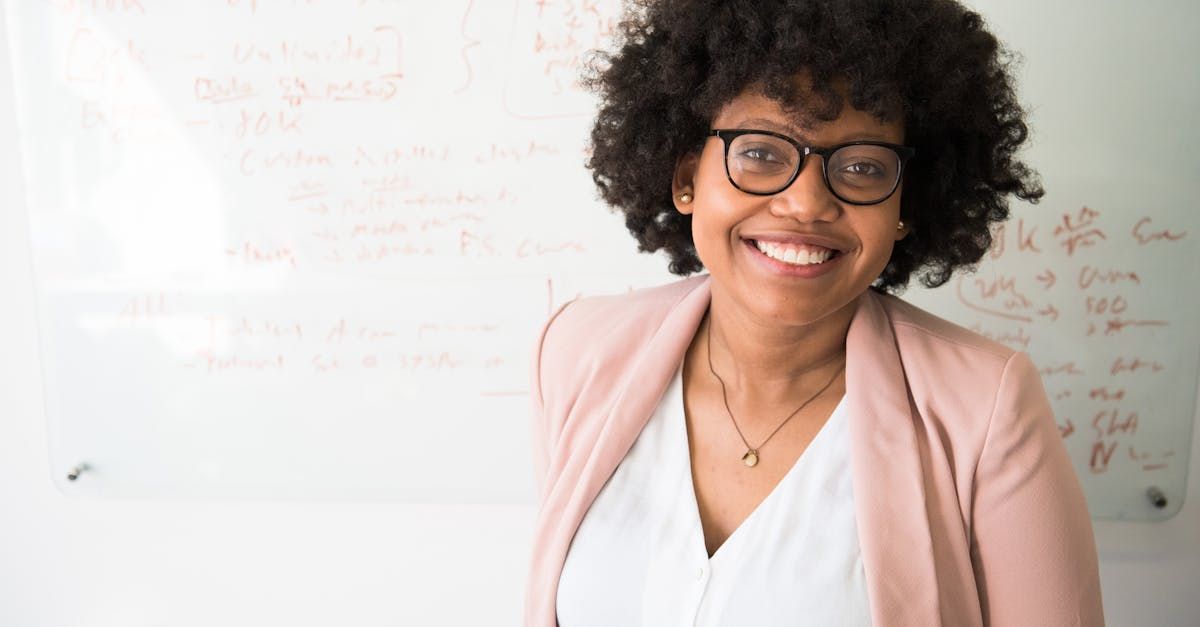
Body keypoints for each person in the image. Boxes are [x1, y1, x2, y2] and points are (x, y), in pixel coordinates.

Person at [524, 0, 1104, 625]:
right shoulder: (577, 351)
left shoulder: (986, 407)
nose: (805, 204)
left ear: (906, 205)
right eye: (761, 153)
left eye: (860, 167)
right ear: (686, 176)